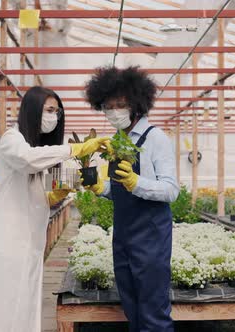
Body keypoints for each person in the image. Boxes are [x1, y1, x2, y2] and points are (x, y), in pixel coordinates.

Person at [0, 86, 110, 332]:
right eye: (49, 110)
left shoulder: (35, 146)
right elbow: (27, 161)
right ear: (33, 109)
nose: (53, 116)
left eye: (57, 112)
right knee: (3, 305)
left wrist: (58, 191)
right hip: (9, 236)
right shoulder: (12, 139)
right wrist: (76, 149)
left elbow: (39, 183)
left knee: (24, 302)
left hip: (30, 238)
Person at [84, 66, 180, 332]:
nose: (114, 111)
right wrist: (99, 187)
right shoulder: (117, 141)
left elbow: (171, 190)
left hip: (150, 236)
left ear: (137, 104)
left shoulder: (155, 139)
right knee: (132, 306)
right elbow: (120, 191)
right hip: (124, 236)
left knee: (153, 310)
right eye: (108, 106)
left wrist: (136, 183)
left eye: (121, 104)